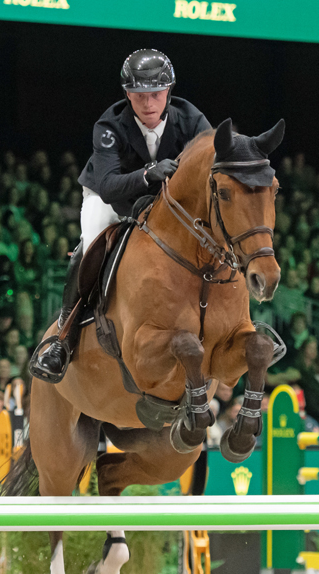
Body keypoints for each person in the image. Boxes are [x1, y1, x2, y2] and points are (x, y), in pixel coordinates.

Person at [31, 48, 211, 383]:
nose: (148, 103)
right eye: (139, 95)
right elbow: (110, 186)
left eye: (155, 94)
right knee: (90, 245)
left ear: (169, 91)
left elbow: (209, 166)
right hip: (108, 197)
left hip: (163, 199)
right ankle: (63, 339)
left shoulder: (192, 119)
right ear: (127, 93)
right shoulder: (109, 125)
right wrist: (147, 174)